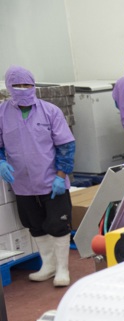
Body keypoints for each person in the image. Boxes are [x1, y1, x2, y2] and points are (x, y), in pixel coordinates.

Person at [0, 66, 75, 287]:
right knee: (35, 224)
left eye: (27, 85)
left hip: (52, 180)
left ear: (34, 85)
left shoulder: (50, 111)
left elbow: (66, 146)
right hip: (22, 183)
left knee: (58, 224)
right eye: (17, 85)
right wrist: (1, 161)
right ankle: (48, 265)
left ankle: (62, 269)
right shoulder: (2, 114)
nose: (23, 89)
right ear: (8, 87)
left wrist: (61, 175)